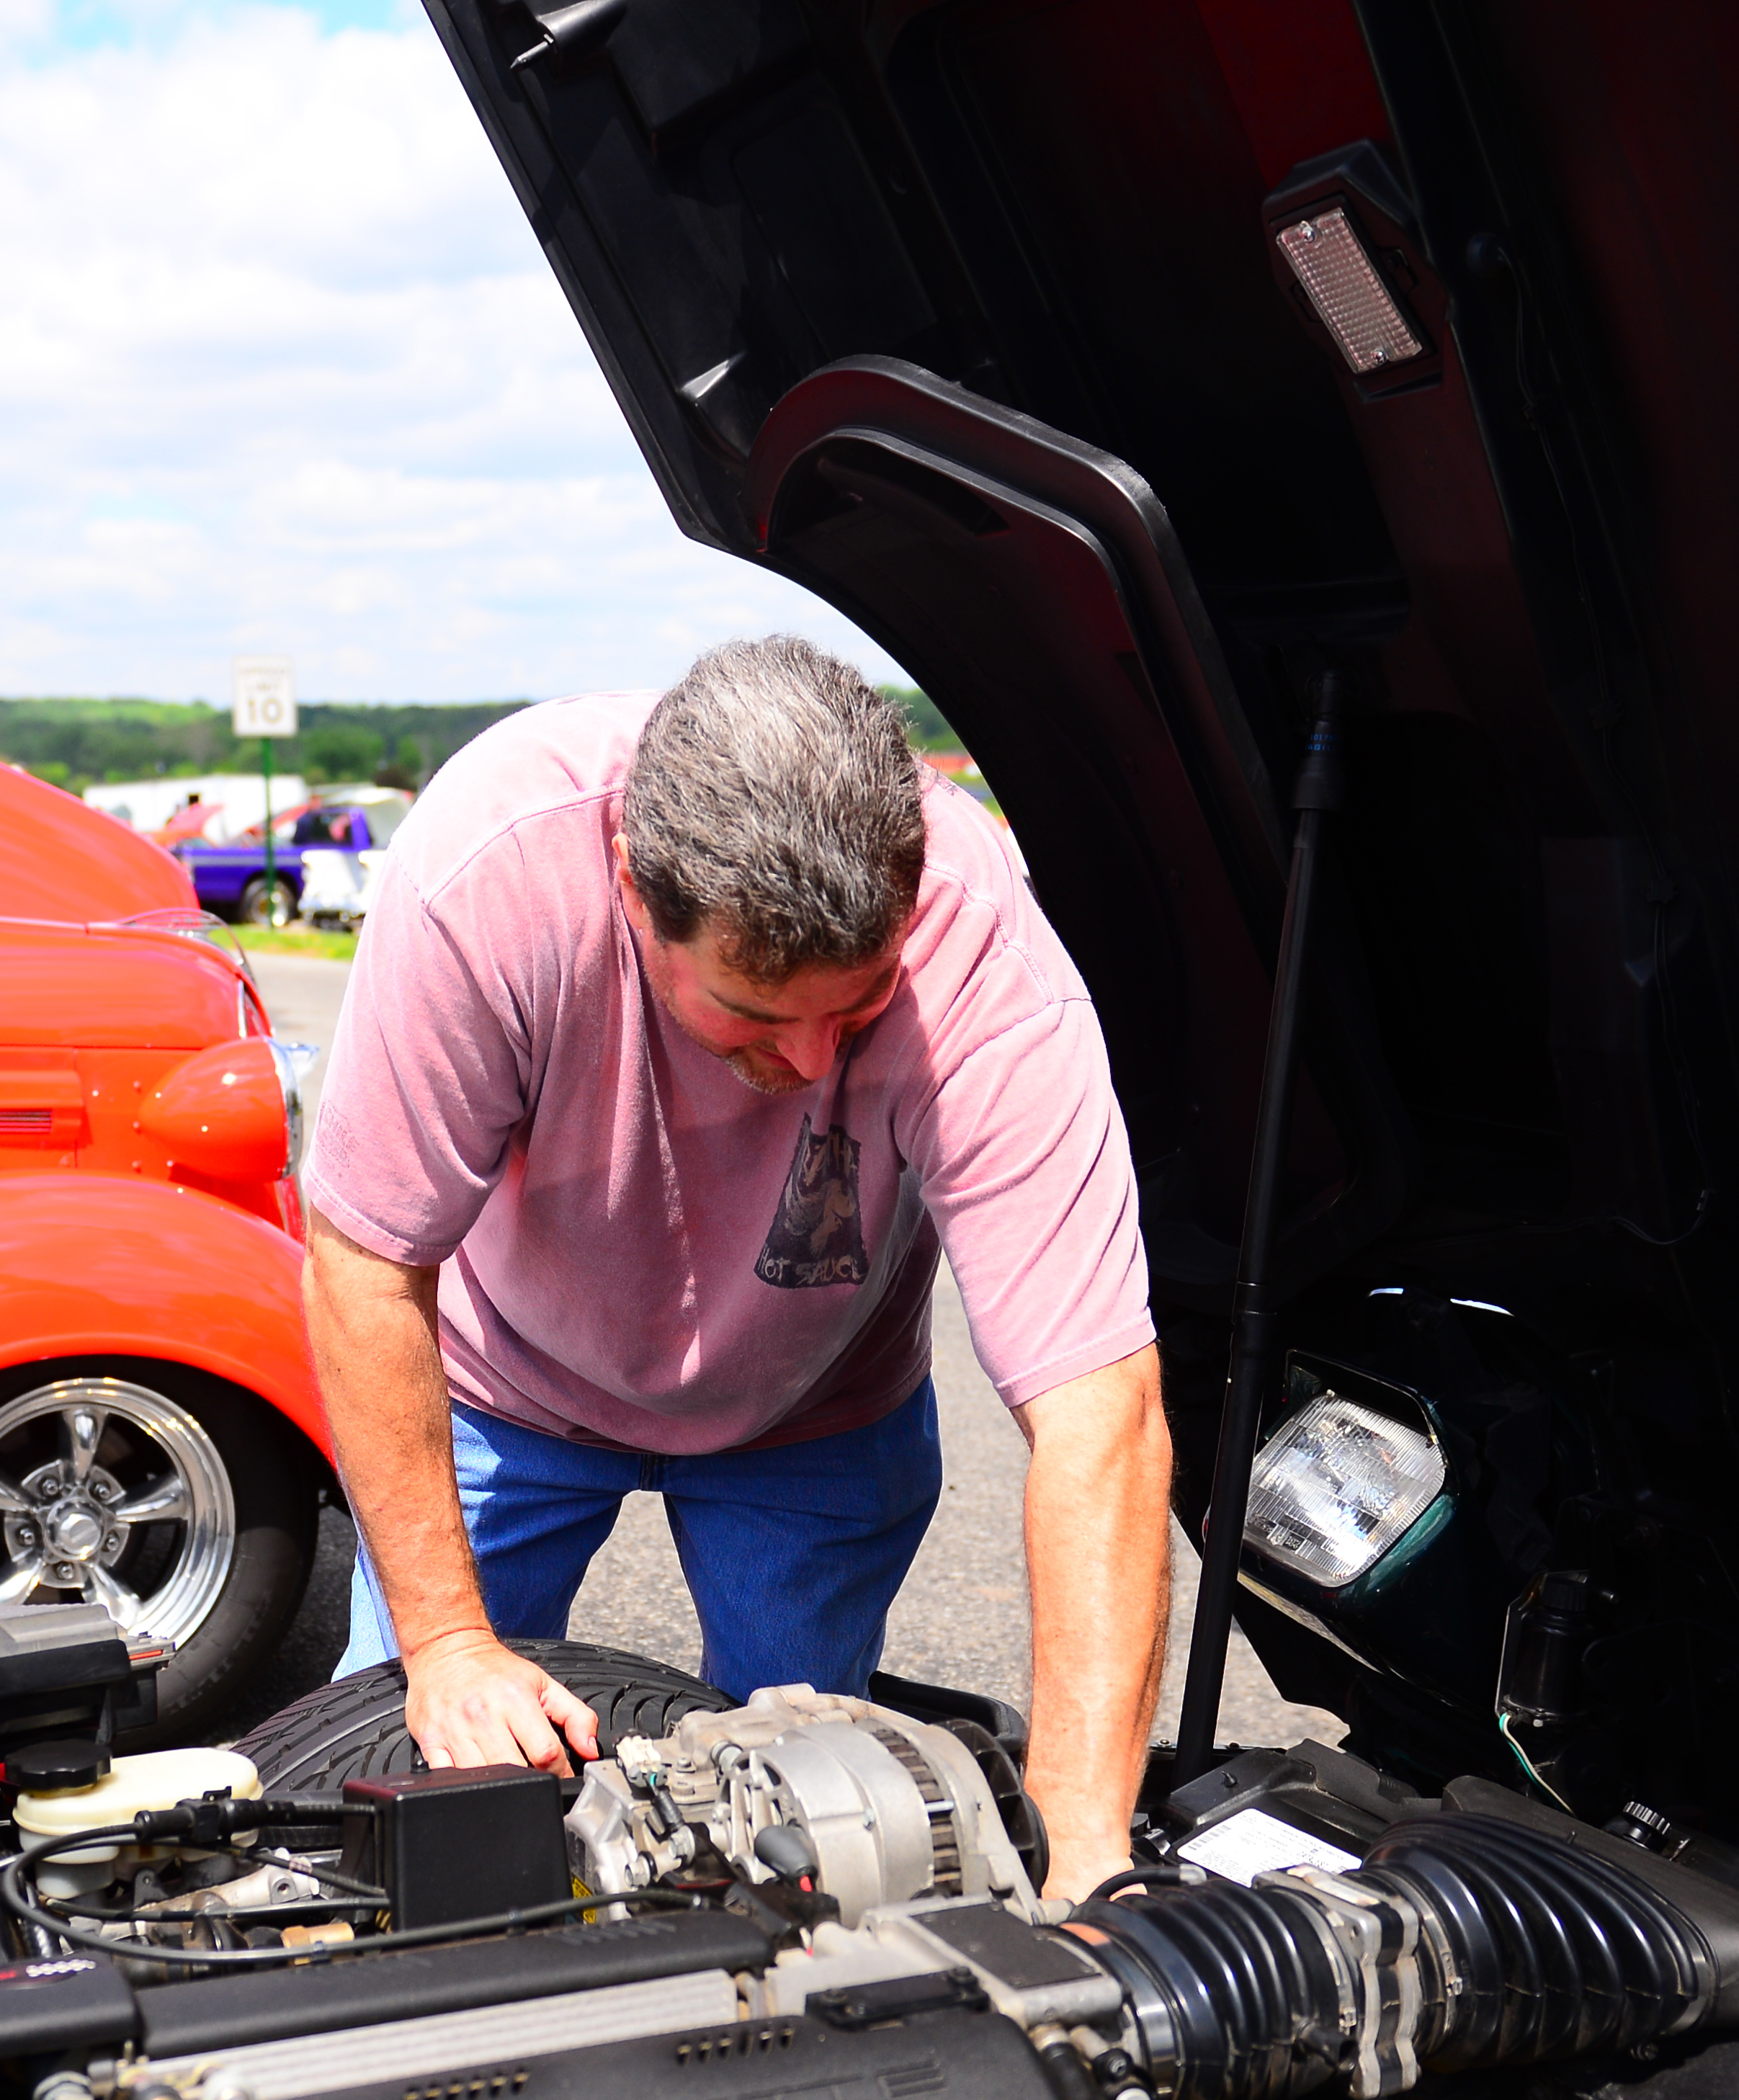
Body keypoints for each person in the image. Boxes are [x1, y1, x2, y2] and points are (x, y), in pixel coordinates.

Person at [299, 635, 1168, 1895]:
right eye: (757, 1015)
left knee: (816, 1833)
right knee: (396, 1791)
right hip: (507, 1387)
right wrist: (444, 1642)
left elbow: (1102, 1410)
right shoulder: (492, 873)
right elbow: (366, 1262)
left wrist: (1084, 1854)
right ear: (632, 889)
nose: (816, 1065)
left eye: (859, 1005)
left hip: (814, 1414)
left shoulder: (985, 960)